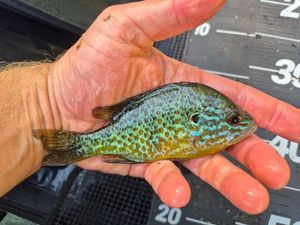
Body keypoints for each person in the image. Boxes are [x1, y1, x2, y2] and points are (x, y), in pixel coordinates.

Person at [0, 0, 298, 215]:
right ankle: (71, 144)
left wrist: (42, 103)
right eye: (233, 119)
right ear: (198, 121)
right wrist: (46, 101)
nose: (239, 124)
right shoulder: (196, 130)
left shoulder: (201, 126)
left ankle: (63, 144)